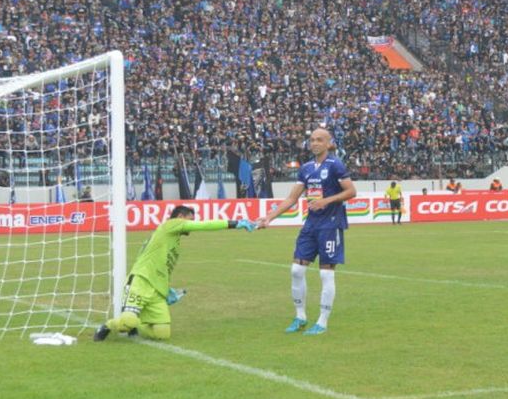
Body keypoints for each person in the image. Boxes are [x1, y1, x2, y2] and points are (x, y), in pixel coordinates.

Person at [94, 205, 256, 341]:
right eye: (190, 220)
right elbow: (204, 226)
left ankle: (136, 324)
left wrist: (166, 290)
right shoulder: (170, 225)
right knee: (127, 321)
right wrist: (234, 223)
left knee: (163, 334)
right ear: (180, 217)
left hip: (157, 290)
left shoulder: (173, 242)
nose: (192, 224)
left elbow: (164, 267)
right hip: (141, 282)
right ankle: (107, 326)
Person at [257, 128, 356, 336]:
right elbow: (292, 198)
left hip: (330, 225)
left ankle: (322, 321)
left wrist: (326, 201)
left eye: (319, 140)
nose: (314, 143)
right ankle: (300, 316)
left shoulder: (335, 165)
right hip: (310, 225)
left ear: (329, 143)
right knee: (296, 271)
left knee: (325, 273)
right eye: (312, 140)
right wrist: (270, 217)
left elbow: (351, 191)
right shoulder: (307, 168)